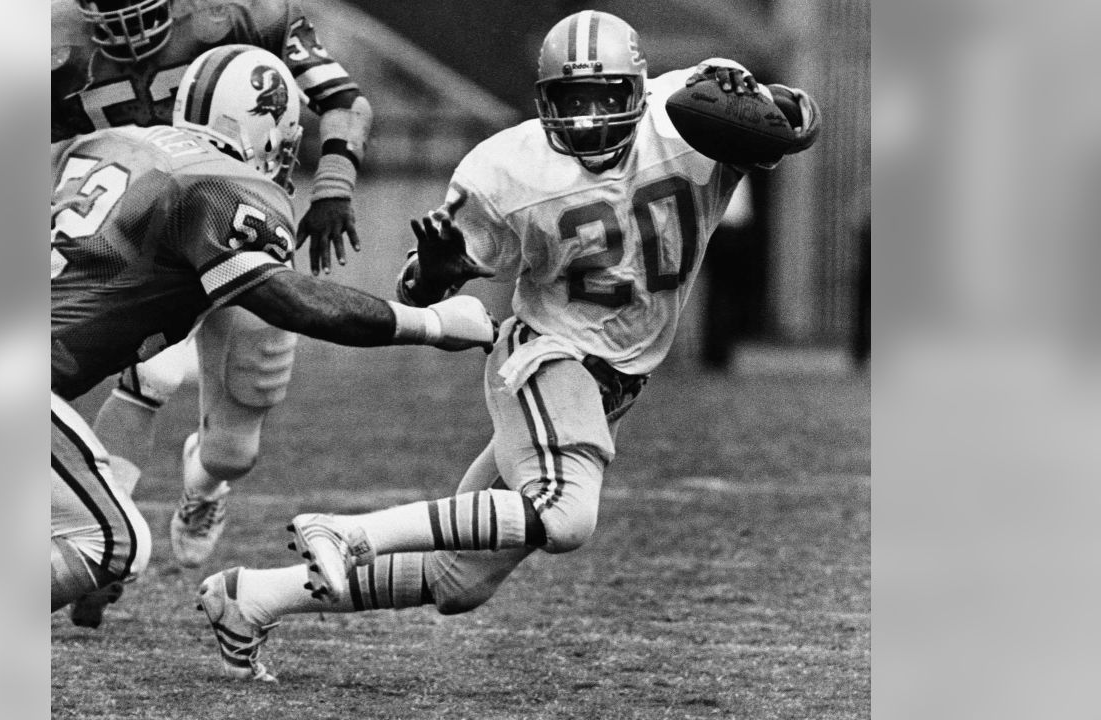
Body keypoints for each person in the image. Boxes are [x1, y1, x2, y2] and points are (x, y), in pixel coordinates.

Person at [193, 10, 821, 682]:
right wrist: (438, 267)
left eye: (605, 98)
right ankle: (349, 532)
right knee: (566, 516)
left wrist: (771, 102)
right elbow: (421, 287)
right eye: (570, 101)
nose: (586, 118)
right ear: (543, 99)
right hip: (549, 358)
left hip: (614, 379)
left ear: (638, 91)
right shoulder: (509, 168)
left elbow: (796, 123)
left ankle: (252, 598)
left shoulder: (689, 117)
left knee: (458, 580)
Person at [51, 46, 496, 626]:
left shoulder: (96, 145)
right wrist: (433, 324)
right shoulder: (226, 183)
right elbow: (292, 302)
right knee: (113, 543)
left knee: (230, 442)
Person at [53, 0, 375, 582]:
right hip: (135, 244)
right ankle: (104, 543)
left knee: (234, 450)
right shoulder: (54, 45)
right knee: (153, 371)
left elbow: (343, 99)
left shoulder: (240, 14)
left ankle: (203, 486)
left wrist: (333, 186)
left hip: (236, 223)